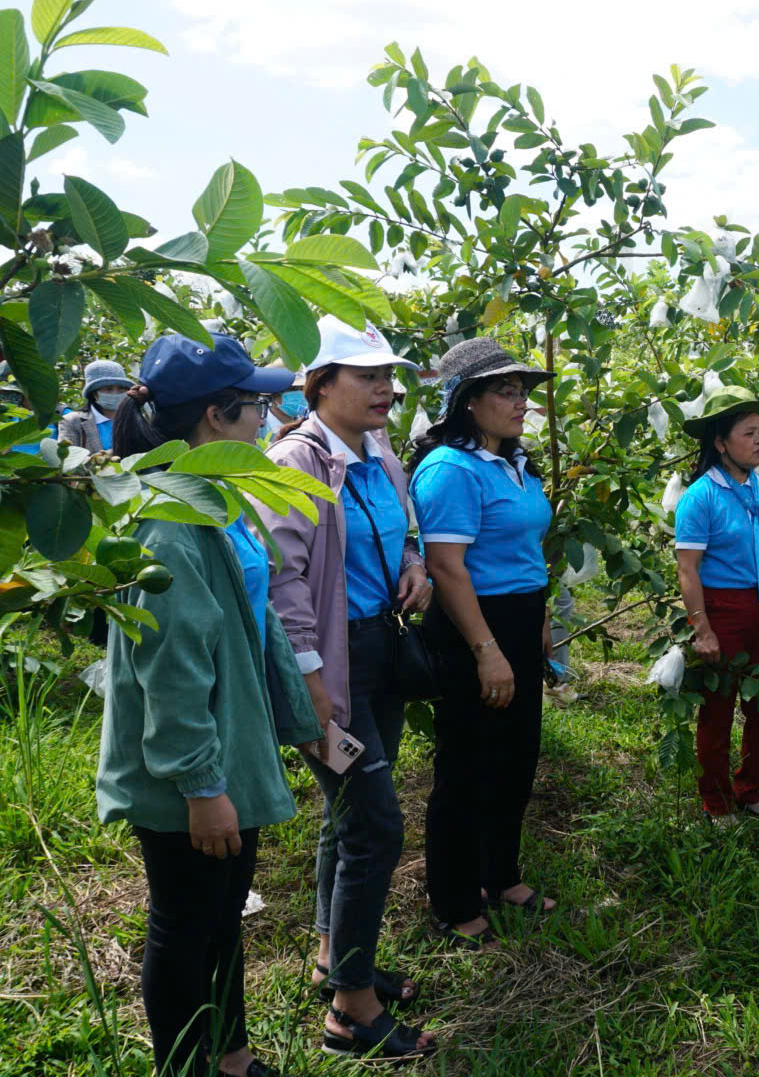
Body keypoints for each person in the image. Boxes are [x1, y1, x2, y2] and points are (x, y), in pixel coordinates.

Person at [97, 334, 322, 1077]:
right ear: (216, 418)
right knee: (186, 923)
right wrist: (202, 786)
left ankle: (232, 1057)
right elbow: (172, 670)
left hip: (226, 750)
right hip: (192, 768)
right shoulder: (171, 521)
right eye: (257, 405)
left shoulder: (209, 500)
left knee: (220, 918)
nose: (268, 417)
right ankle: (187, 1065)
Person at [255, 316, 436, 1062]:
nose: (386, 388)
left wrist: (417, 559)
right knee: (374, 823)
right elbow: (284, 577)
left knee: (347, 816)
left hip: (376, 649)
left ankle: (338, 954)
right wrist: (311, 680)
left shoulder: (376, 452)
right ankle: (350, 1011)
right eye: (368, 376)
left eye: (389, 375)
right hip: (331, 663)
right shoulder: (295, 462)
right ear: (319, 386)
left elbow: (405, 523)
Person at [408, 338, 557, 946]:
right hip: (474, 626)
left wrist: (539, 619)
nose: (520, 402)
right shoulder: (450, 469)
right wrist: (486, 649)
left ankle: (501, 874)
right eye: (506, 390)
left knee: (517, 754)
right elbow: (447, 568)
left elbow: (526, 549)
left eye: (523, 391)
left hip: (519, 618)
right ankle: (451, 895)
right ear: (468, 402)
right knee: (467, 764)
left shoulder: (515, 463)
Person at [674, 387, 759, 823]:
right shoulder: (701, 497)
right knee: (718, 708)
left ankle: (749, 788)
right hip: (723, 608)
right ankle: (715, 800)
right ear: (720, 442)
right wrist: (704, 628)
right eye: (749, 433)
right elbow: (688, 569)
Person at [59, 359, 134, 452]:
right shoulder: (72, 421)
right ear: (94, 394)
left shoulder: (135, 418)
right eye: (108, 389)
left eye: (121, 388)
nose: (116, 393)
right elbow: (67, 459)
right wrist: (104, 457)